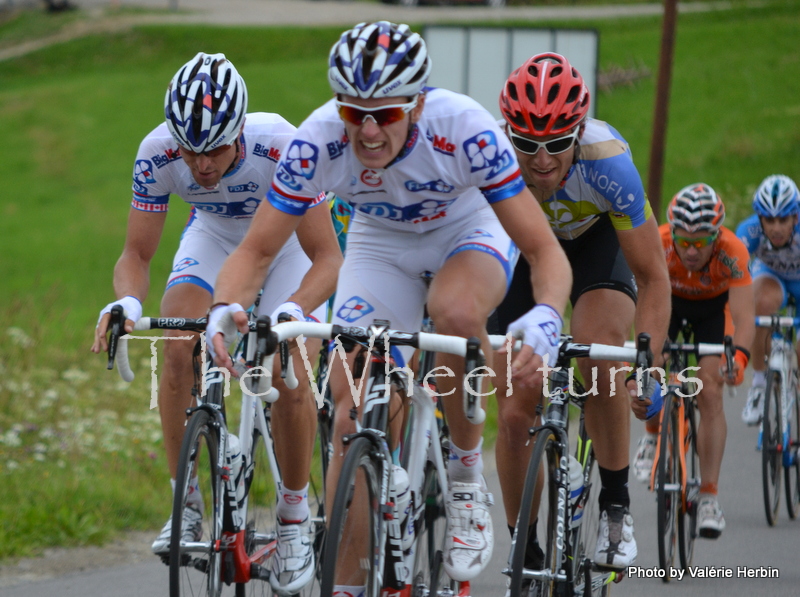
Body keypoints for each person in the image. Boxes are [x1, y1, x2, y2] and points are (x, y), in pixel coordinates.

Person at [205, 21, 571, 592]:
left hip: (465, 230)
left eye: (387, 113)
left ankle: (466, 472)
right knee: (350, 410)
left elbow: (543, 248)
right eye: (355, 113)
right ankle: (349, 578)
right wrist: (224, 305)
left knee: (452, 312)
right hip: (380, 243)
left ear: (419, 105)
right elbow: (256, 248)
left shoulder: (465, 129)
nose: (369, 131)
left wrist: (547, 312)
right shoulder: (318, 139)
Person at [90, 52, 342, 595]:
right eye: (191, 151)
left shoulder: (281, 144)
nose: (202, 166)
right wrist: (129, 305)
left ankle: (294, 520)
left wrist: (294, 312)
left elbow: (327, 258)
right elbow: (135, 254)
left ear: (241, 128)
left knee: (288, 366)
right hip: (216, 235)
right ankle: (185, 504)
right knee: (179, 339)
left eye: (217, 150)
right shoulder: (158, 153)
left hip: (290, 245)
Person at [492, 52, 671, 572]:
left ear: (579, 130)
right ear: (509, 134)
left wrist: (648, 364)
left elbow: (654, 276)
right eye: (527, 144)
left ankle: (616, 509)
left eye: (556, 144)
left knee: (600, 360)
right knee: (514, 406)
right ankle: (523, 545)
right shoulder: (492, 158)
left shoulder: (608, 162)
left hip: (596, 242)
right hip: (524, 250)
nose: (542, 160)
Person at [631, 183, 754, 538]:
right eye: (683, 241)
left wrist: (740, 360)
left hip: (713, 312)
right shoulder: (658, 241)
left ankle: (710, 497)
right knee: (652, 364)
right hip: (668, 303)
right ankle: (653, 436)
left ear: (716, 236)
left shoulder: (733, 252)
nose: (690, 250)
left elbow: (745, 318)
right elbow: (642, 306)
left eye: (700, 243)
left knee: (710, 388)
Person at [736, 174, 800, 425]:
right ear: (759, 218)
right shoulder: (749, 231)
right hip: (773, 276)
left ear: (795, 216)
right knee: (759, 301)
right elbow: (736, 276)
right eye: (769, 220)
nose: (776, 227)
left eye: (783, 219)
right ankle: (760, 384)